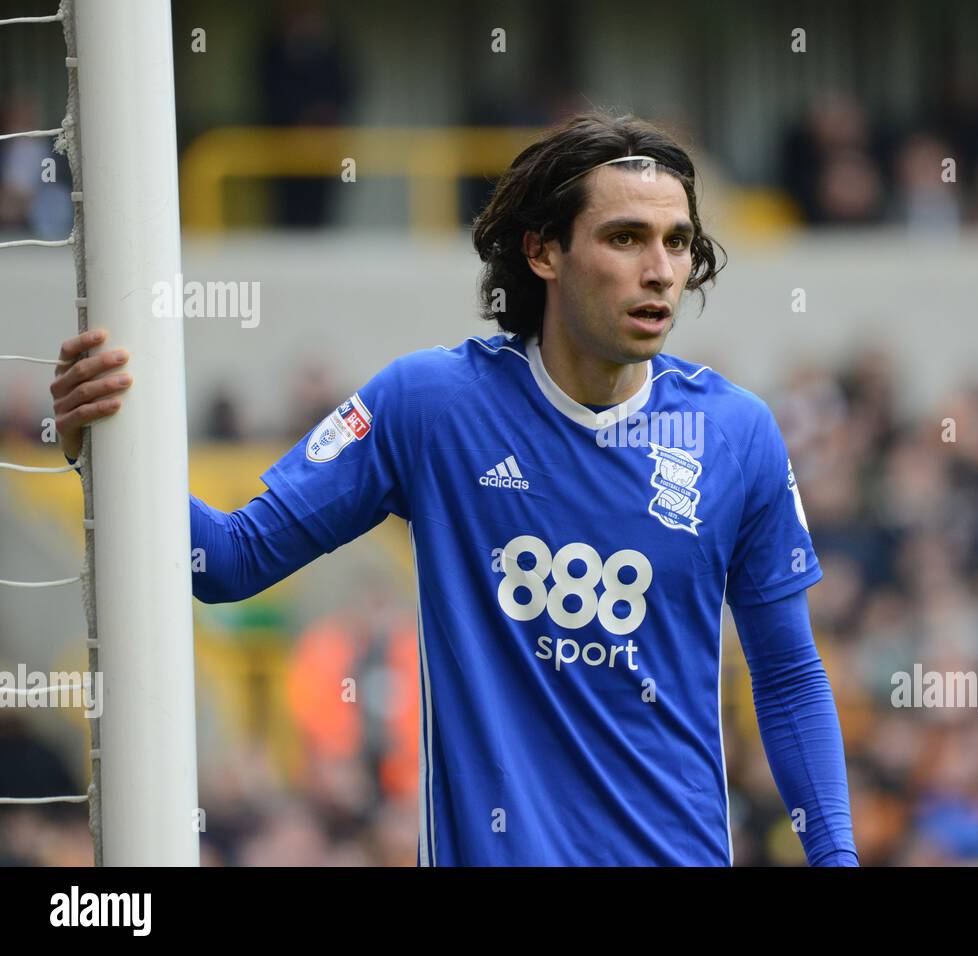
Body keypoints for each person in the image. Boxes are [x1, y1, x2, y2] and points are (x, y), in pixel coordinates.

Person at [48, 112, 858, 867]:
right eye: (625, 237)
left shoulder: (737, 433)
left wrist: (836, 859)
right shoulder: (433, 407)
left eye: (678, 243)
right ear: (544, 252)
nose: (660, 271)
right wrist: (108, 455)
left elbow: (787, 676)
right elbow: (226, 561)